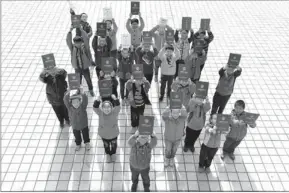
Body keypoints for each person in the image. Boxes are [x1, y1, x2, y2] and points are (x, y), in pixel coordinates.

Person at [66, 27, 95, 96]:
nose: (77, 45)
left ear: (81, 42)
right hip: (77, 68)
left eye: (79, 43)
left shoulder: (85, 47)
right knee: (78, 81)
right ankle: (78, 90)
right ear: (74, 43)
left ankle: (91, 90)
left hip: (85, 68)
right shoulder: (72, 48)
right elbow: (68, 41)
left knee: (88, 80)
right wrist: (70, 31)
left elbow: (86, 38)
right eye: (76, 43)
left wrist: (82, 30)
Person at [93, 94, 121, 163]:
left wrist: (115, 99)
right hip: (104, 135)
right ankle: (108, 154)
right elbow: (95, 108)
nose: (107, 109)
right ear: (102, 108)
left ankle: (113, 153)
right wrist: (97, 100)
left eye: (108, 107)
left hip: (113, 134)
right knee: (106, 146)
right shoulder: (100, 113)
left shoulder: (114, 112)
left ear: (112, 108)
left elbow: (118, 106)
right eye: (104, 107)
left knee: (114, 145)